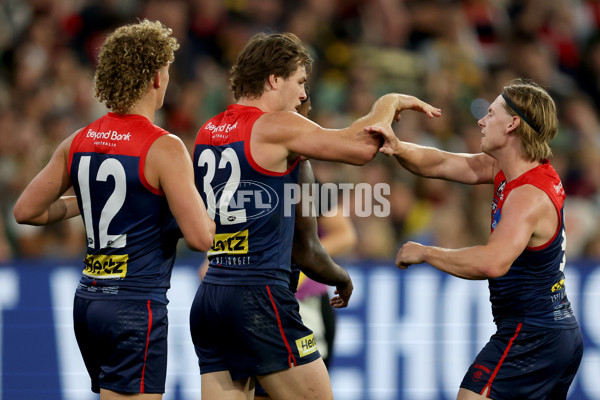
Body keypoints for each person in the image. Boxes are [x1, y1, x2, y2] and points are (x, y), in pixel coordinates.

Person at [189, 31, 441, 400]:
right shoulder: (276, 126)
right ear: (274, 79)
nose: (303, 95)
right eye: (300, 82)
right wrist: (389, 101)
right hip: (259, 294)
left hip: (212, 296)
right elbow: (361, 147)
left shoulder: (208, 131)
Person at [13, 20, 215, 400]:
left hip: (89, 303)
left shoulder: (79, 139)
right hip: (135, 306)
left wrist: (89, 200)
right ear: (157, 78)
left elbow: (26, 211)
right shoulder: (165, 147)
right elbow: (201, 238)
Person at [372, 78, 583, 400]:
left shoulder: (527, 195)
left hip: (531, 334)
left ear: (513, 124)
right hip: (552, 332)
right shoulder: (515, 169)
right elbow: (442, 162)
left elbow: (492, 262)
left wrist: (425, 253)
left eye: (491, 113)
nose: (482, 121)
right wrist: (397, 147)